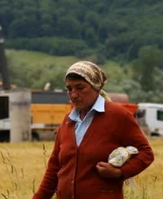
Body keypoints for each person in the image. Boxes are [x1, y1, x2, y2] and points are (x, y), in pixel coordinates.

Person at [32, 61, 154, 199]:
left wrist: (120, 172)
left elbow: (146, 153)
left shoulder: (118, 116)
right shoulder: (68, 121)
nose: (73, 94)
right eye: (69, 89)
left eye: (80, 88)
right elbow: (54, 169)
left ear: (96, 87)